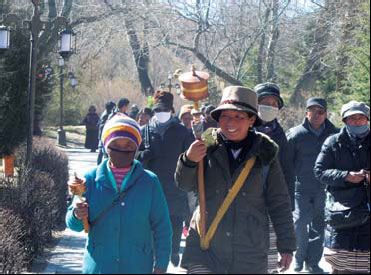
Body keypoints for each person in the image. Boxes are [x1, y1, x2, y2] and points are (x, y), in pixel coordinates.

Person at [175, 86, 296, 274]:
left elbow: (279, 202)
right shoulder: (205, 144)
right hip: (206, 244)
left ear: (252, 120)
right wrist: (189, 161)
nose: (231, 122)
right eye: (225, 116)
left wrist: (286, 245)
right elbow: (184, 184)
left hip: (249, 250)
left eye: (239, 117)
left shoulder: (265, 152)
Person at [66, 113, 172, 274]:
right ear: (106, 145)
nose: (122, 150)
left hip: (137, 266)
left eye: (129, 145)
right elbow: (73, 225)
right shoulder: (89, 180)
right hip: (99, 267)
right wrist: (76, 214)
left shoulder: (149, 182)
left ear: (136, 147)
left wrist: (161, 264)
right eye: (116, 144)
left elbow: (162, 226)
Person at [137, 90, 194, 267]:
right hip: (151, 187)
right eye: (158, 110)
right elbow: (131, 157)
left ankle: (174, 250)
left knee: (174, 222)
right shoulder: (144, 131)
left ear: (172, 111)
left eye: (165, 110)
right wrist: (141, 155)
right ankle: (154, 257)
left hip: (175, 185)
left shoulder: (183, 132)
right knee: (151, 224)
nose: (161, 113)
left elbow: (192, 157)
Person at [314, 101, 370, 274]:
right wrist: (346, 176)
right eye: (352, 118)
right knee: (340, 264)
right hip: (341, 212)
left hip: (368, 212)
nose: (357, 121)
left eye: (360, 118)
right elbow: (320, 171)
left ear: (367, 119)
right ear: (345, 120)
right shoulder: (333, 142)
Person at [286, 97, 338, 273]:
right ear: (306, 113)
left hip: (325, 189)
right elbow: (286, 162)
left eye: (320, 112)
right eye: (312, 111)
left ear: (326, 114)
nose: (316, 115)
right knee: (300, 223)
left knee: (319, 226)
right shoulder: (295, 134)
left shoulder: (335, 134)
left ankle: (313, 263)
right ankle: (299, 260)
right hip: (300, 188)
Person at [254, 82, 295, 273]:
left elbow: (287, 173)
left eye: (273, 103)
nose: (269, 107)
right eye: (264, 102)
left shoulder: (280, 136)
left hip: (271, 205)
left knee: (267, 261)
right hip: (239, 205)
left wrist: (288, 206)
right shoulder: (239, 130)